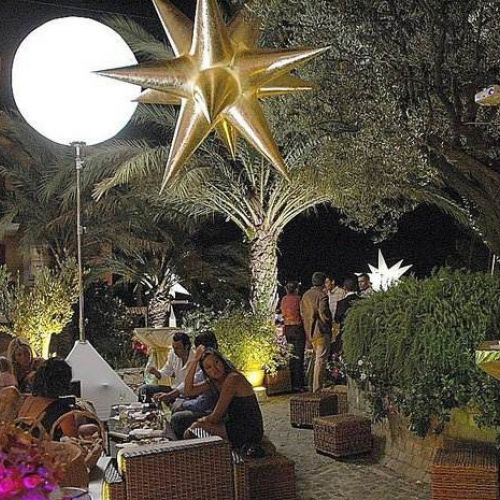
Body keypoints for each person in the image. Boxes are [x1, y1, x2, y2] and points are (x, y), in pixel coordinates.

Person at [185, 346, 264, 454]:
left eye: (216, 362)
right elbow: (188, 391)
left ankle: (213, 460)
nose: (215, 369)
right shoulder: (215, 381)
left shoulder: (233, 378)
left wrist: (200, 421)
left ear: (222, 361)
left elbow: (215, 417)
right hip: (234, 424)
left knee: (193, 429)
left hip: (248, 430)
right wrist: (195, 361)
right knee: (191, 428)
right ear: (205, 372)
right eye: (208, 367)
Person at [169, 331, 220, 439]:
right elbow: (189, 389)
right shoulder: (204, 369)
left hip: (215, 413)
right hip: (206, 407)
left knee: (178, 418)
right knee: (177, 409)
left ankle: (183, 444)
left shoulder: (216, 367)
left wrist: (183, 404)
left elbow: (204, 403)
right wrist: (196, 360)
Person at [17, 358, 78, 439]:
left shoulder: (28, 400)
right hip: (43, 446)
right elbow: (73, 440)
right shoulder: (62, 409)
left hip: (17, 444)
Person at [138, 332, 195, 403]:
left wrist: (169, 395)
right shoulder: (173, 353)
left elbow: (190, 384)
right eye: (173, 347)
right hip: (174, 389)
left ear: (186, 347)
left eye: (177, 348)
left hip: (188, 393)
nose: (175, 351)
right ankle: (147, 408)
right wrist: (157, 373)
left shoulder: (195, 359)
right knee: (144, 389)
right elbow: (167, 370)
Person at [301, 272, 333, 392]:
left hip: (309, 331)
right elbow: (323, 314)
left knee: (315, 360)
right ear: (323, 282)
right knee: (321, 360)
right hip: (321, 331)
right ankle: (317, 388)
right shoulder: (322, 295)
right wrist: (329, 326)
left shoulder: (306, 295)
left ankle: (311, 384)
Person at [280, 281, 305, 392]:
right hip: (297, 329)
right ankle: (299, 384)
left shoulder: (284, 300)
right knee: (299, 357)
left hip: (288, 329)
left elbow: (283, 314)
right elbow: (302, 315)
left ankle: (291, 384)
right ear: (296, 289)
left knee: (291, 356)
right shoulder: (298, 299)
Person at [333, 276, 360, 355]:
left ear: (344, 288)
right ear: (356, 287)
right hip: (360, 332)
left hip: (345, 333)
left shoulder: (341, 303)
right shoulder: (363, 301)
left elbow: (337, 319)